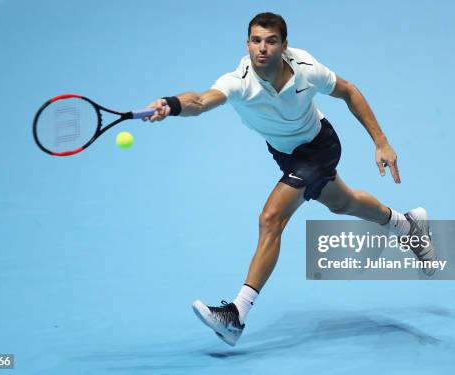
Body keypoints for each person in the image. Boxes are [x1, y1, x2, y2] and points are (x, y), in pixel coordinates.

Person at [143, 12, 436, 346]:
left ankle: (236, 314)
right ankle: (406, 225)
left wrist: (381, 142)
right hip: (286, 154)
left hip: (319, 145)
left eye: (270, 41)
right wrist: (171, 104)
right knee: (344, 203)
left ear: (284, 45)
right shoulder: (238, 81)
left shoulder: (306, 69)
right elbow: (199, 100)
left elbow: (349, 91)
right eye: (256, 41)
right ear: (247, 44)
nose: (262, 49)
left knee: (271, 219)